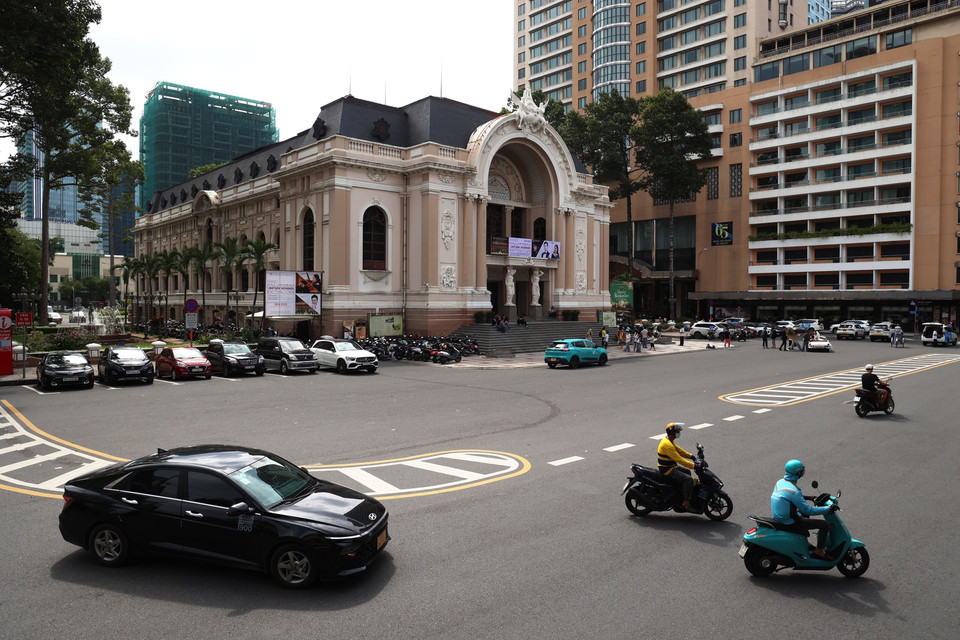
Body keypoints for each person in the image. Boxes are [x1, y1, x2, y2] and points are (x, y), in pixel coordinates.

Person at [771, 459, 836, 560]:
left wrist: (809, 497)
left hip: (779, 517)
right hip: (790, 521)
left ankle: (806, 542)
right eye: (802, 470)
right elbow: (808, 510)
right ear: (799, 473)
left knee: (802, 514)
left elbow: (788, 497)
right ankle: (819, 551)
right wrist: (827, 509)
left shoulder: (780, 482)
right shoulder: (794, 491)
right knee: (824, 525)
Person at [657, 422, 698, 511]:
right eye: (677, 432)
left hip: (670, 466)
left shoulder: (669, 440)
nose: (678, 433)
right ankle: (686, 502)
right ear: (672, 433)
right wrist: (694, 465)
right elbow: (679, 459)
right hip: (667, 469)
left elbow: (679, 450)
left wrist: (692, 456)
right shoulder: (667, 444)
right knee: (688, 480)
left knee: (687, 472)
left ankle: (681, 493)